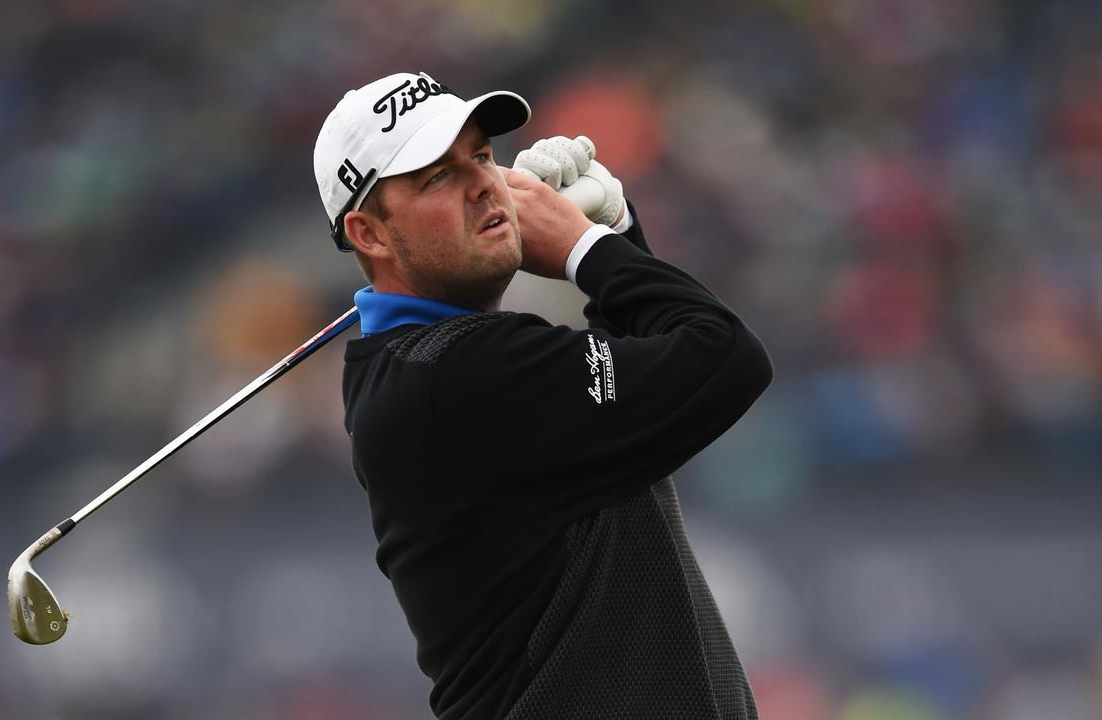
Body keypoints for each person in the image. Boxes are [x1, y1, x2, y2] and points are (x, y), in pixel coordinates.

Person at [313, 71, 773, 719]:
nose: (482, 182)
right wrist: (589, 248)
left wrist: (617, 235)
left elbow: (645, 394)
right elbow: (725, 359)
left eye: (479, 156)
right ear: (370, 234)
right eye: (435, 177)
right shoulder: (456, 374)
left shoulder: (422, 366)